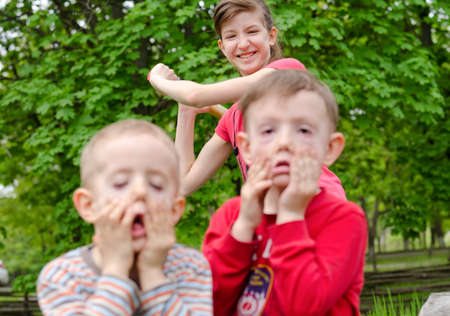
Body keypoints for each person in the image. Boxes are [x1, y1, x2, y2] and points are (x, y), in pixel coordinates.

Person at [202, 69, 368, 316]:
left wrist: (291, 214)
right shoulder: (231, 216)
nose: (284, 143)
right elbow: (207, 304)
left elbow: (304, 307)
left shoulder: (344, 218)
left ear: (330, 148)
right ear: (246, 147)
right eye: (268, 131)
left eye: (303, 131)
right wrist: (243, 227)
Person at [149, 0, 346, 200]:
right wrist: (186, 111)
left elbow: (196, 95)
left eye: (252, 32)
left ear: (271, 36)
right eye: (231, 36)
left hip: (320, 202)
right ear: (223, 47)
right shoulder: (232, 120)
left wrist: (157, 80)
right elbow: (182, 185)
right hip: (275, 217)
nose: (243, 44)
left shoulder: (287, 73)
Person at [36, 119, 213, 315]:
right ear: (88, 205)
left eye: (156, 184)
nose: (140, 191)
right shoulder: (63, 276)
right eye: (120, 183)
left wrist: (153, 274)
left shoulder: (190, 267)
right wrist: (115, 269)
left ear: (174, 210)